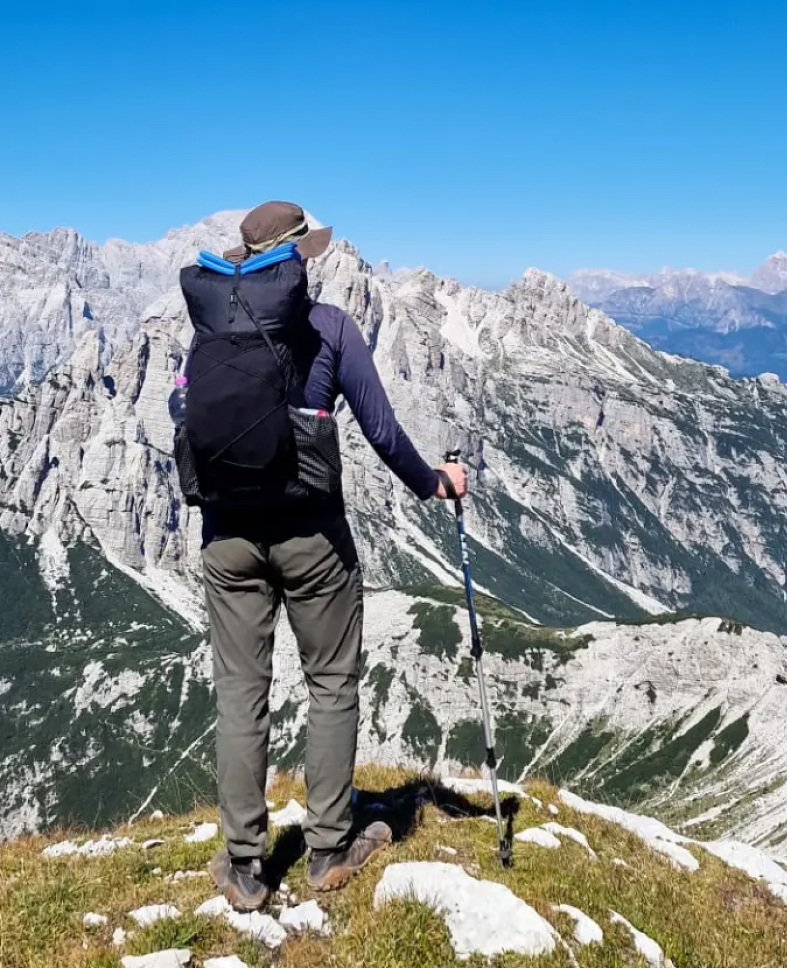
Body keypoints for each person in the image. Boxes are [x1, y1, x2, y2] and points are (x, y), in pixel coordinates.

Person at [176, 201, 467, 911]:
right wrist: (436, 483)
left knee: (241, 693)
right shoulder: (331, 328)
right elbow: (383, 430)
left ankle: (245, 867)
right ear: (298, 257)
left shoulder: (208, 335)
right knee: (331, 683)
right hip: (311, 539)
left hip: (227, 539)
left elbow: (185, 421)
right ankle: (329, 848)